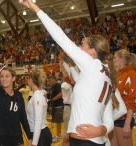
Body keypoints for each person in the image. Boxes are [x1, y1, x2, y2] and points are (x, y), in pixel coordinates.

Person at [19, 1, 114, 146]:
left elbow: (60, 37)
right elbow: (108, 120)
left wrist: (34, 7)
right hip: (92, 140)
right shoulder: (104, 74)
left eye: (83, 45)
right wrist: (101, 131)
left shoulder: (92, 65)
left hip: (85, 142)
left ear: (93, 51)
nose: (79, 48)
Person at [0, 50, 32, 146]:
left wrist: (30, 137)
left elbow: (23, 118)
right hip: (0, 139)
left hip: (17, 138)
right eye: (2, 76)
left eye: (7, 76)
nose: (4, 79)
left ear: (13, 78)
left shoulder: (18, 95)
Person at [112, 49, 136, 146]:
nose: (113, 60)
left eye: (115, 58)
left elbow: (133, 100)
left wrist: (127, 123)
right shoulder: (118, 74)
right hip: (113, 117)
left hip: (123, 120)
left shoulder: (132, 74)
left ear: (122, 59)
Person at [24, 71, 52, 146]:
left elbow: (38, 121)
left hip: (40, 135)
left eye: (28, 79)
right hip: (39, 133)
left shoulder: (37, 96)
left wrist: (34, 143)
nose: (27, 81)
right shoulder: (38, 93)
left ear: (31, 80)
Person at [48, 75, 63, 142]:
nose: (49, 82)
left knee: (58, 122)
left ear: (54, 80)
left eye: (50, 80)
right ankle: (57, 135)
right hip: (54, 106)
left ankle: (59, 136)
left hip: (59, 105)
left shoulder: (58, 85)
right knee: (56, 121)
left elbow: (61, 93)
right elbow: (51, 94)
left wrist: (53, 99)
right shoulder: (52, 87)